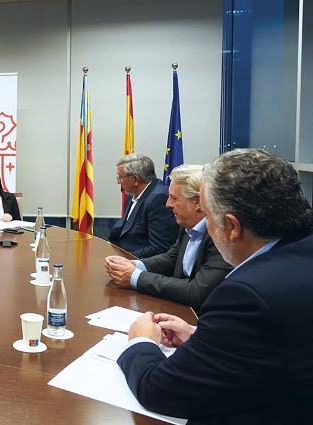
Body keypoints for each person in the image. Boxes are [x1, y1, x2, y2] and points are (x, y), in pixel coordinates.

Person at [117, 149, 313, 423]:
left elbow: (160, 391)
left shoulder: (247, 295)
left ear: (232, 227)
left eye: (207, 216)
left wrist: (140, 341)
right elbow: (277, 340)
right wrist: (202, 336)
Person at [104, 164, 232, 312]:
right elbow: (172, 258)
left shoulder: (221, 234)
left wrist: (135, 277)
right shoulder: (187, 225)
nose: (168, 204)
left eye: (174, 199)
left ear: (197, 202)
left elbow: (197, 291)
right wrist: (133, 264)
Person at [108, 153, 179, 258]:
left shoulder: (159, 198)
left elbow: (160, 248)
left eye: (120, 177)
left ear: (135, 180)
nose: (119, 182)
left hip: (142, 267)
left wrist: (124, 259)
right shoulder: (132, 195)